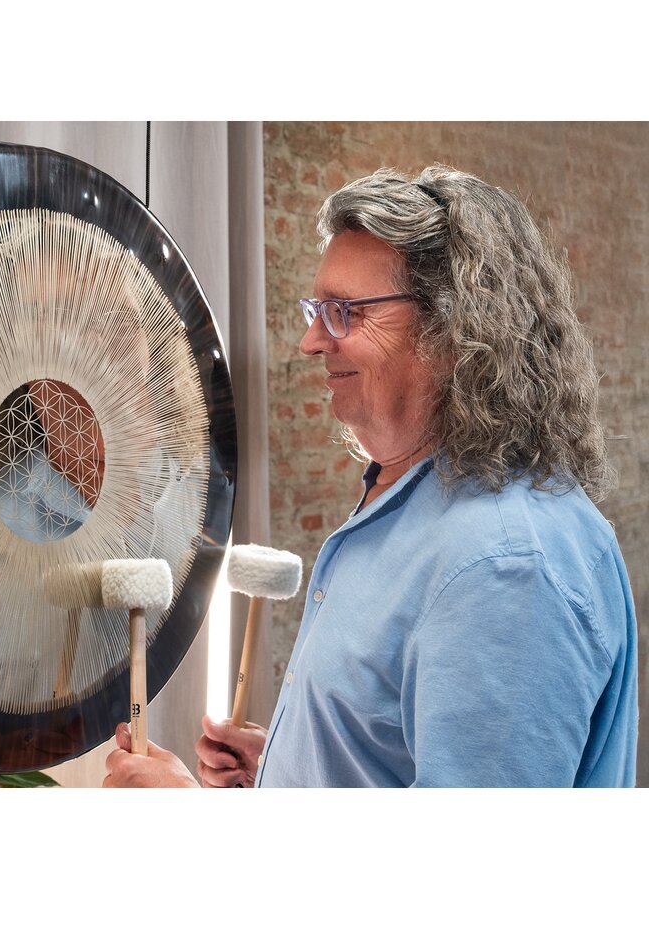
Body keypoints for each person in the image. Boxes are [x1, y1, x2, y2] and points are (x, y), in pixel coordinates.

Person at [103, 164, 638, 788]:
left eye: (343, 312)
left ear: (451, 328)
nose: (310, 341)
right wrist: (291, 767)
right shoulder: (413, 494)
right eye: (316, 310)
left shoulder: (504, 567)